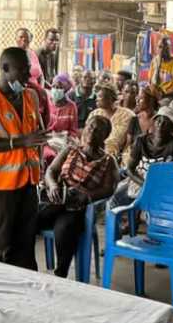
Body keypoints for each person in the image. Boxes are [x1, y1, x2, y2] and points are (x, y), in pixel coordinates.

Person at [0, 47, 49, 269]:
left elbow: (37, 134)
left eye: (29, 70)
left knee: (24, 247)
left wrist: (45, 144)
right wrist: (19, 142)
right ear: (5, 68)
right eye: (22, 70)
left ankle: (22, 296)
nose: (27, 76)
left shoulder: (31, 96)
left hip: (27, 183)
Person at [39, 115, 119, 277]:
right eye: (90, 126)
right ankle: (23, 267)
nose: (92, 131)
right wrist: (53, 185)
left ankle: (60, 274)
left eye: (98, 130)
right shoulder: (70, 150)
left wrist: (88, 196)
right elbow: (51, 171)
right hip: (57, 199)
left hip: (77, 208)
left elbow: (109, 189)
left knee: (64, 229)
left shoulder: (108, 161)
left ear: (105, 135)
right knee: (28, 221)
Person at [109, 106, 173, 209]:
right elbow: (130, 169)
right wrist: (146, 185)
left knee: (154, 206)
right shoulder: (141, 141)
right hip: (139, 179)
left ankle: (139, 216)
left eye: (166, 122)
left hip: (162, 184)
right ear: (154, 123)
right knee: (114, 200)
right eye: (158, 120)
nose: (161, 124)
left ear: (172, 128)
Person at [88, 81, 136, 158]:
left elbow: (130, 143)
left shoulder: (128, 115)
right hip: (93, 155)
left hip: (118, 158)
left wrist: (123, 158)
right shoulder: (94, 114)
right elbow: (85, 138)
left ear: (110, 98)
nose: (96, 99)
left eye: (100, 96)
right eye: (97, 96)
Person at [44, 73, 80, 164]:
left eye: (59, 88)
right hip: (47, 140)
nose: (55, 89)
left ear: (66, 90)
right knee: (49, 155)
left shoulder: (72, 106)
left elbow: (73, 130)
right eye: (54, 86)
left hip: (63, 140)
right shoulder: (46, 102)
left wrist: (68, 141)